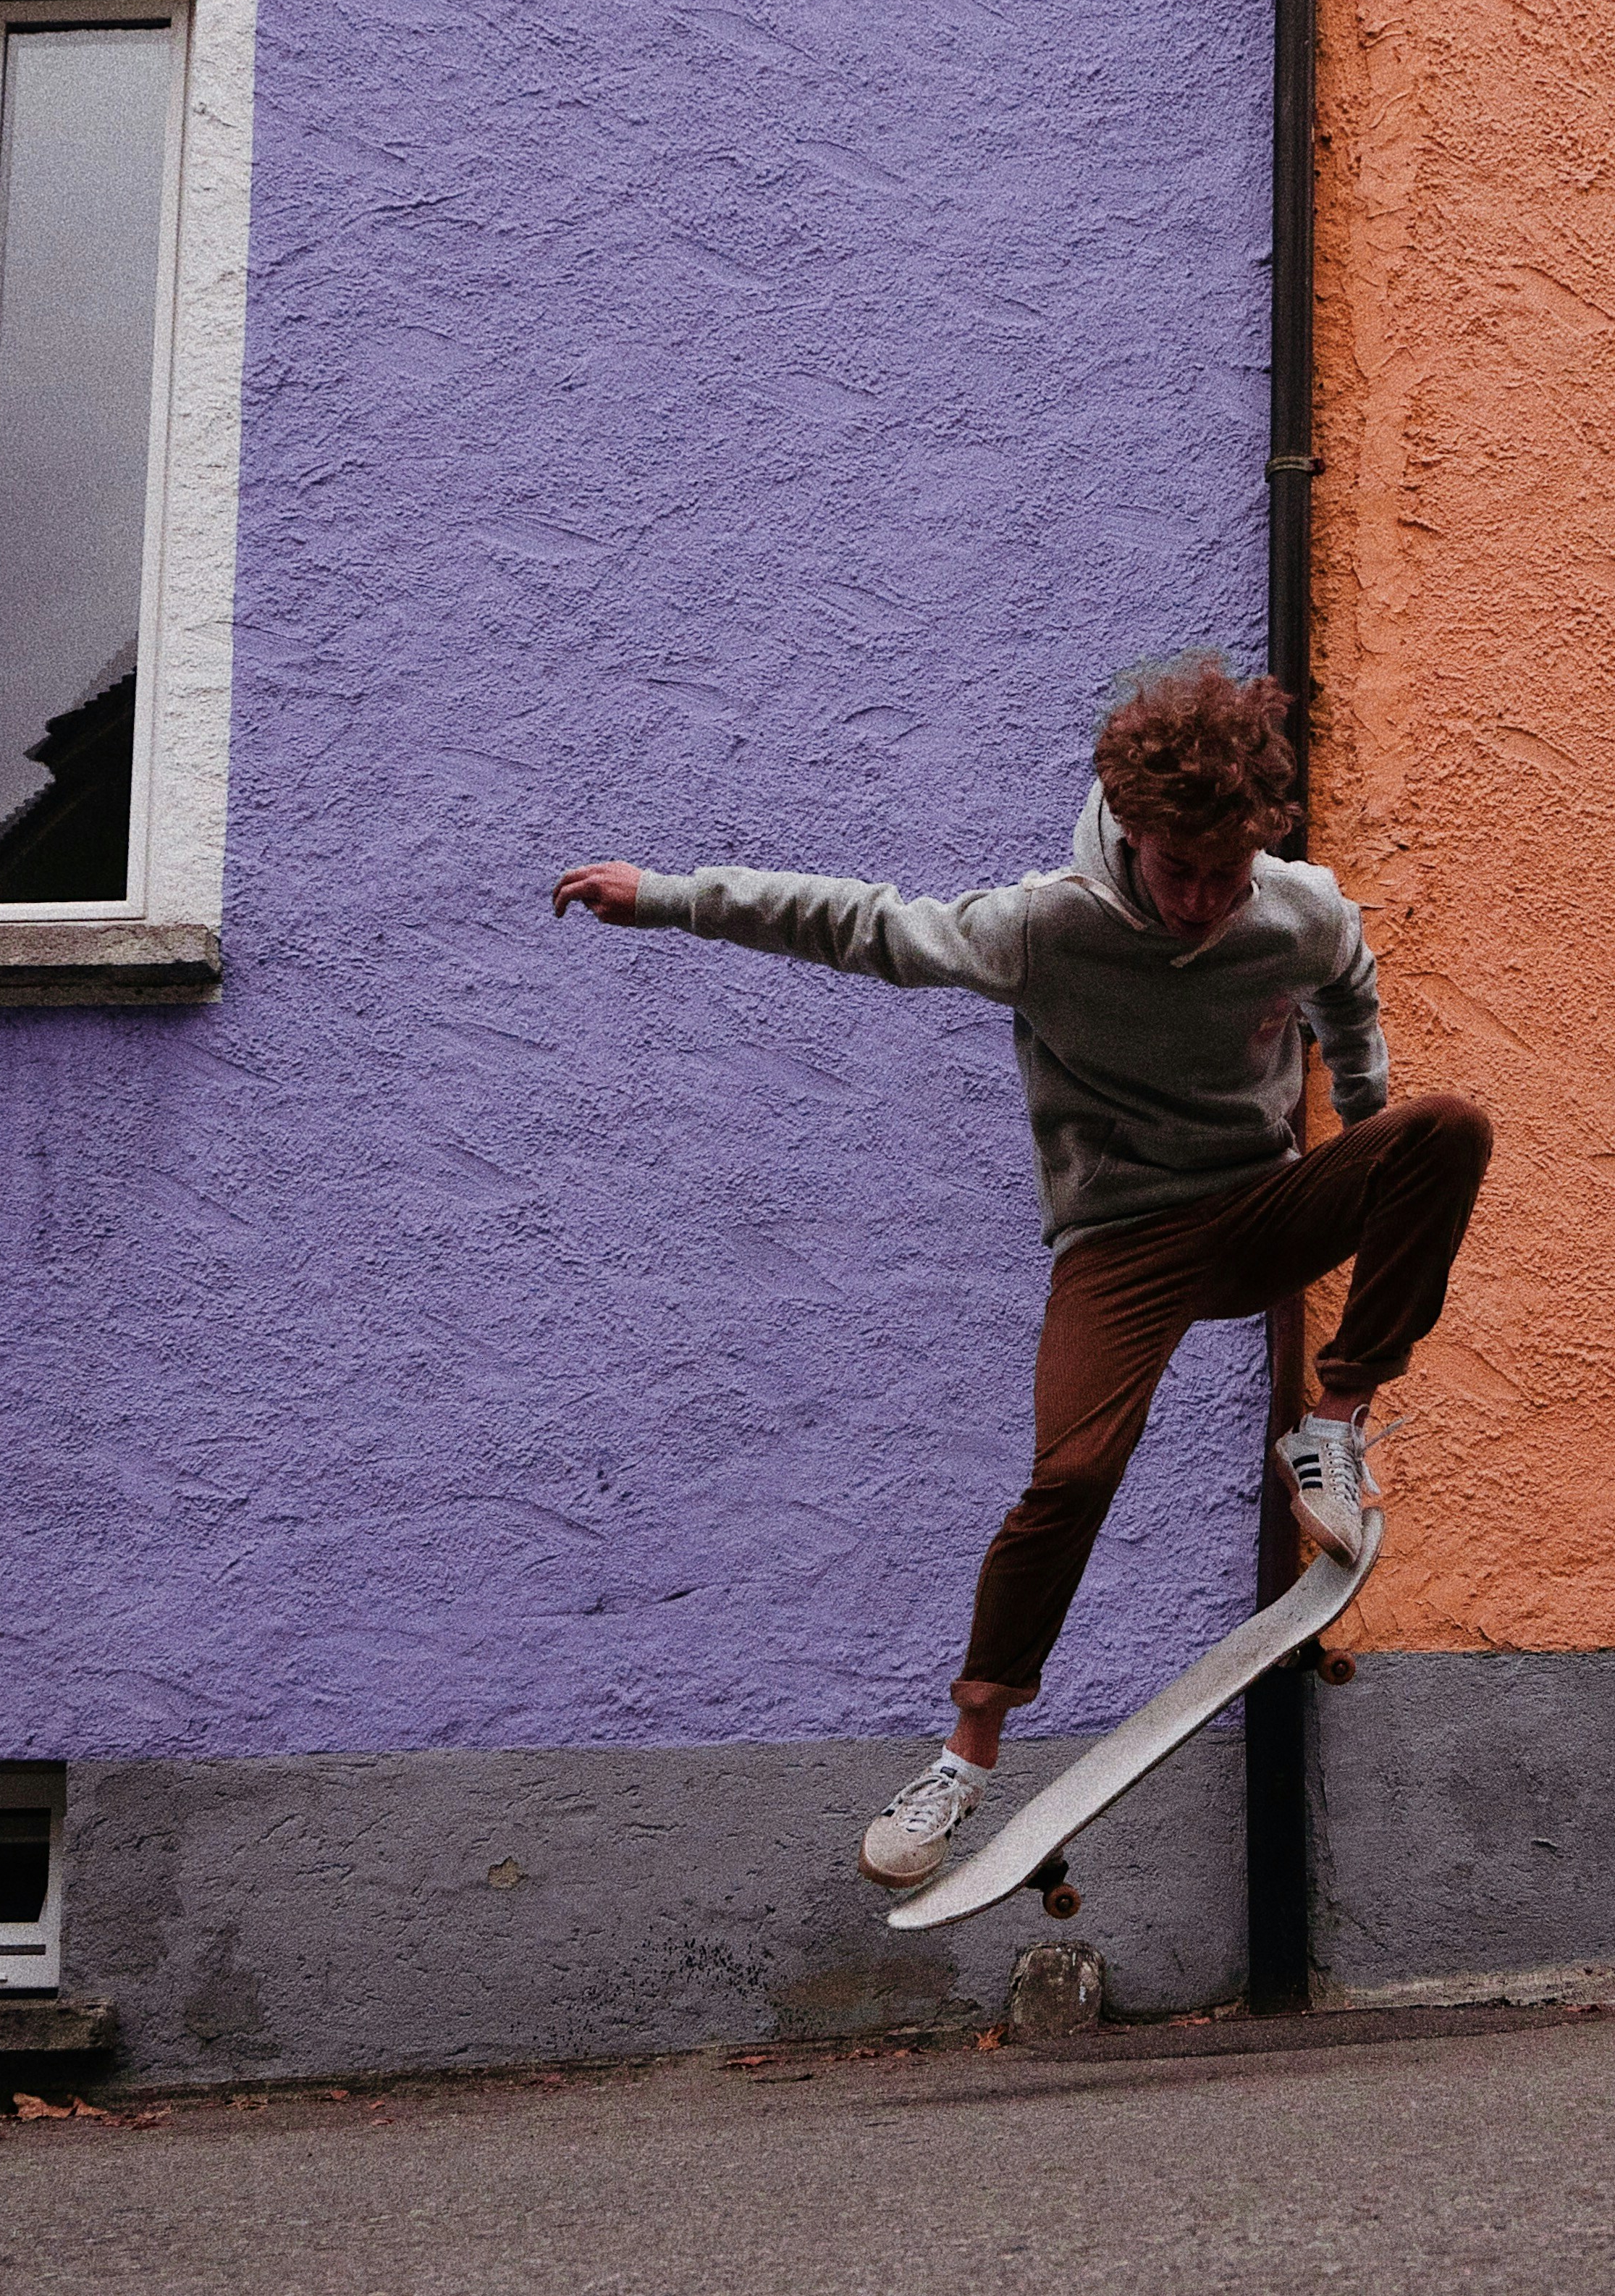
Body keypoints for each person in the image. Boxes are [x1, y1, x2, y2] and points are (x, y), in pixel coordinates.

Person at [553, 652, 1490, 1893]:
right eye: (1178, 870)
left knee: (1449, 1128)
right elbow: (860, 923)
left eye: (1228, 874)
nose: (1205, 901)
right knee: (1072, 1472)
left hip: (1261, 1202)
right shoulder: (1040, 925)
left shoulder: (1297, 906)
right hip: (1123, 1241)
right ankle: (968, 1751)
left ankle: (1332, 1424)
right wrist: (670, 896)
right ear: (1131, 832)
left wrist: (1366, 1137)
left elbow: (1351, 997)